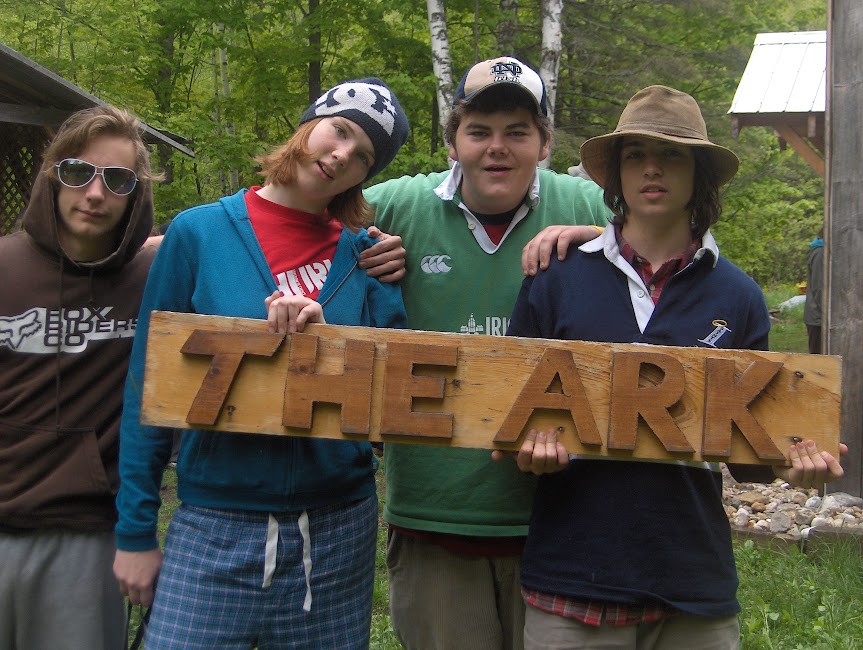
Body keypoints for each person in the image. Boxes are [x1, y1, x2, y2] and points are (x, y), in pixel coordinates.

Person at [507, 85, 845, 649]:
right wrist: (528, 454)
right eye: (636, 155)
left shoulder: (739, 296)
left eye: (672, 155)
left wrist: (793, 465)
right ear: (615, 175)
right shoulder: (555, 278)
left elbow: (749, 456)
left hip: (692, 583)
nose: (652, 169)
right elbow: (505, 417)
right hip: (572, 577)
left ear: (700, 174)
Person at [113, 78, 409, 648]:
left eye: (364, 156)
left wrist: (330, 349)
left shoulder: (366, 256)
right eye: (341, 130)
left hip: (337, 529)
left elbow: (388, 398)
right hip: (213, 521)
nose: (343, 154)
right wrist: (135, 531)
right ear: (309, 126)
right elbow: (144, 387)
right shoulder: (197, 233)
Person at [363, 56, 610, 650]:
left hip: (563, 515)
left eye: (517, 132)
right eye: (479, 132)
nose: (497, 149)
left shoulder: (586, 206)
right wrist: (357, 257)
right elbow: (285, 221)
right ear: (453, 142)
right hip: (433, 515)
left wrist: (604, 241)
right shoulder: (398, 207)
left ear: (544, 143)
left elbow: (687, 259)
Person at [0, 105, 159, 649]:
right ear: (52, 174)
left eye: (116, 180)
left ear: (135, 193)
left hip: (88, 539)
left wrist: (374, 246)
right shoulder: (3, 267)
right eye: (77, 172)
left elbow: (253, 240)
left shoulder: (153, 276)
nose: (94, 194)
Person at [804, 228, 824, 354]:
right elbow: (819, 287)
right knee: (819, 362)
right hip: (817, 318)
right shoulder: (820, 252)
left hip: (820, 316)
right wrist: (830, 314)